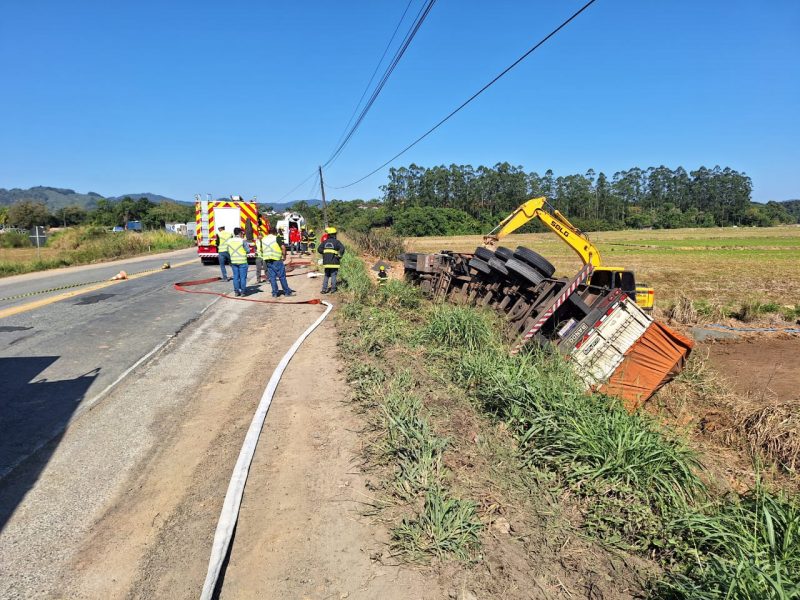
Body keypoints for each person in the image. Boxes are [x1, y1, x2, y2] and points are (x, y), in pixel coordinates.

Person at [261, 232, 295, 297]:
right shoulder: (276, 238)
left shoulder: (264, 239)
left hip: (268, 260)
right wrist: (284, 256)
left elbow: (262, 249)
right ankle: (287, 292)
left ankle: (274, 293)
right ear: (275, 232)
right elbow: (283, 248)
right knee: (282, 276)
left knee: (272, 277)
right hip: (276, 259)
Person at [317, 227, 345, 294]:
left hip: (326, 262)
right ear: (334, 234)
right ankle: (333, 289)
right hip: (334, 262)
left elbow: (319, 249)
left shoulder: (324, 242)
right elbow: (342, 248)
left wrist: (325, 253)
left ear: (328, 235)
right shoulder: (337, 242)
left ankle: (324, 290)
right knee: (333, 275)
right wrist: (339, 256)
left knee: (326, 275)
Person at [226, 227, 249, 296]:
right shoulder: (242, 241)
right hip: (242, 261)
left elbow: (228, 250)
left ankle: (236, 292)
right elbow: (248, 251)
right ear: (240, 233)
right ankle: (243, 292)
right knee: (242, 277)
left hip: (233, 261)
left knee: (235, 277)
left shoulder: (229, 241)